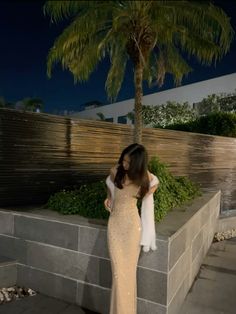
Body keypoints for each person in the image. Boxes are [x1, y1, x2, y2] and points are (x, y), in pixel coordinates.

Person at [104, 143, 159, 314]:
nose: (124, 164)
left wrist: (147, 194)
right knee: (118, 276)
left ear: (137, 163)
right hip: (115, 227)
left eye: (128, 162)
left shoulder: (144, 178)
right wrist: (108, 198)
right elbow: (110, 188)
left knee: (128, 275)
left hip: (133, 229)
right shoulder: (116, 171)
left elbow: (155, 183)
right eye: (124, 160)